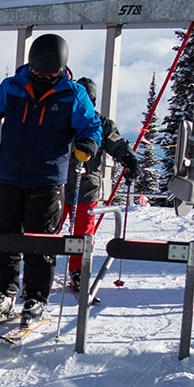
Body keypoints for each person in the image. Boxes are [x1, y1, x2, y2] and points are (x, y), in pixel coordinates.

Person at [0, 34, 103, 325]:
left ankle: (35, 297)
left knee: (40, 242)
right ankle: (3, 293)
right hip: (10, 176)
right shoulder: (13, 87)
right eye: (38, 72)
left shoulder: (73, 94)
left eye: (50, 74)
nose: (43, 78)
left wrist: (87, 144)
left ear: (61, 69)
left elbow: (91, 124)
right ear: (30, 65)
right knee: (2, 238)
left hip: (48, 180)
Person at [61, 77, 141, 282]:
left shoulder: (101, 124)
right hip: (57, 185)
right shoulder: (61, 119)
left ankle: (78, 271)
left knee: (82, 234)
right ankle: (41, 269)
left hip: (85, 187)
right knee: (48, 230)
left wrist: (128, 159)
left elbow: (117, 144)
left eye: (89, 98)